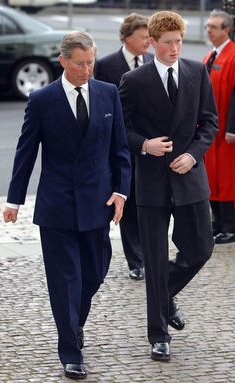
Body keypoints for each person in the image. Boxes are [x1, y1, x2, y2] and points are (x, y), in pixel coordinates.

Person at [3, 31, 131, 380]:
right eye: (80, 64)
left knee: (94, 272)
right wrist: (13, 200)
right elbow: (25, 152)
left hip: (98, 203)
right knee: (65, 281)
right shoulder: (42, 100)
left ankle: (74, 323)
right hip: (57, 206)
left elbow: (120, 150)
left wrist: (121, 192)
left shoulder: (107, 94)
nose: (87, 69)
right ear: (63, 61)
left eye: (90, 62)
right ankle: (70, 351)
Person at [119, 11, 218, 361]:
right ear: (152, 42)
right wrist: (145, 145)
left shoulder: (196, 71)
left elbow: (209, 122)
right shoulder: (134, 80)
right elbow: (120, 132)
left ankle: (165, 295)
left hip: (190, 176)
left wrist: (193, 154)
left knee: (201, 249)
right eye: (167, 43)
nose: (175, 48)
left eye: (178, 41)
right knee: (156, 260)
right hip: (151, 181)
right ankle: (158, 335)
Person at [94, 13, 153, 281]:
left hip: (149, 147)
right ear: (127, 37)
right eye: (143, 37)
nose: (148, 41)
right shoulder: (106, 65)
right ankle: (136, 261)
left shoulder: (152, 61)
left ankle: (150, 256)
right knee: (127, 205)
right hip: (121, 146)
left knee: (148, 204)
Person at [203, 10, 235, 244]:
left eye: (213, 26)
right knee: (212, 177)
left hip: (227, 132)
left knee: (227, 178)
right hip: (212, 131)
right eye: (207, 26)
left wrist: (232, 128)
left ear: (227, 30)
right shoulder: (210, 56)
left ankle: (230, 226)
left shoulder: (233, 56)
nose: (209, 31)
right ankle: (217, 223)